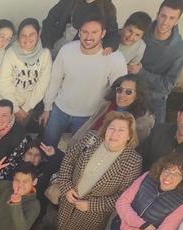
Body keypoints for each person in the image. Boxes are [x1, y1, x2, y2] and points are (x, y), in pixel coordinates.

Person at [49, 113, 142, 230]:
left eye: (121, 130)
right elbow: (70, 157)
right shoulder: (91, 138)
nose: (115, 133)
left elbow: (123, 196)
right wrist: (66, 185)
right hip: (67, 203)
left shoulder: (133, 161)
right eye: (112, 128)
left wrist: (91, 205)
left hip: (91, 216)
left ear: (129, 136)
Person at [40, 17, 127, 149]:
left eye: (94, 32)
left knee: (76, 152)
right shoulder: (67, 50)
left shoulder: (115, 58)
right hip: (59, 109)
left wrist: (108, 119)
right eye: (85, 31)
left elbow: (120, 93)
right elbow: (55, 80)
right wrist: (47, 108)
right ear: (79, 32)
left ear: (103, 33)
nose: (88, 37)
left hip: (88, 116)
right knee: (46, 145)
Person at [107, 153, 183, 230]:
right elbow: (121, 203)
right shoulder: (147, 177)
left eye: (176, 174)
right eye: (167, 170)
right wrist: (142, 225)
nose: (168, 176)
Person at [138, 0, 183, 125]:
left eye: (171, 18)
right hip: (130, 90)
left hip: (154, 98)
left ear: (177, 21)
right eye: (163, 16)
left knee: (156, 137)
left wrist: (141, 72)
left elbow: (167, 86)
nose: (165, 22)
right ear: (157, 14)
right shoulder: (140, 31)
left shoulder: (179, 50)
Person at [0, 19, 53, 128]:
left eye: (31, 34)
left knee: (17, 135)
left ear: (39, 33)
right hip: (6, 104)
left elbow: (43, 84)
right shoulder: (11, 52)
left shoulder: (45, 54)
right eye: (23, 35)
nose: (27, 39)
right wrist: (15, 108)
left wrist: (26, 108)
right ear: (18, 36)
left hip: (27, 106)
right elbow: (3, 83)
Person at [71, 73, 155, 145]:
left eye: (128, 92)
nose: (122, 95)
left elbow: (132, 146)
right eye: (120, 90)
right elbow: (89, 124)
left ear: (138, 95)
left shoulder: (142, 120)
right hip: (86, 144)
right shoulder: (108, 103)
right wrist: (73, 145)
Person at [42, 0, 120, 53]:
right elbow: (50, 20)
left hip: (87, 51)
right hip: (63, 43)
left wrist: (110, 45)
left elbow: (113, 33)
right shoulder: (69, 2)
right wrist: (47, 44)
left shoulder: (107, 8)